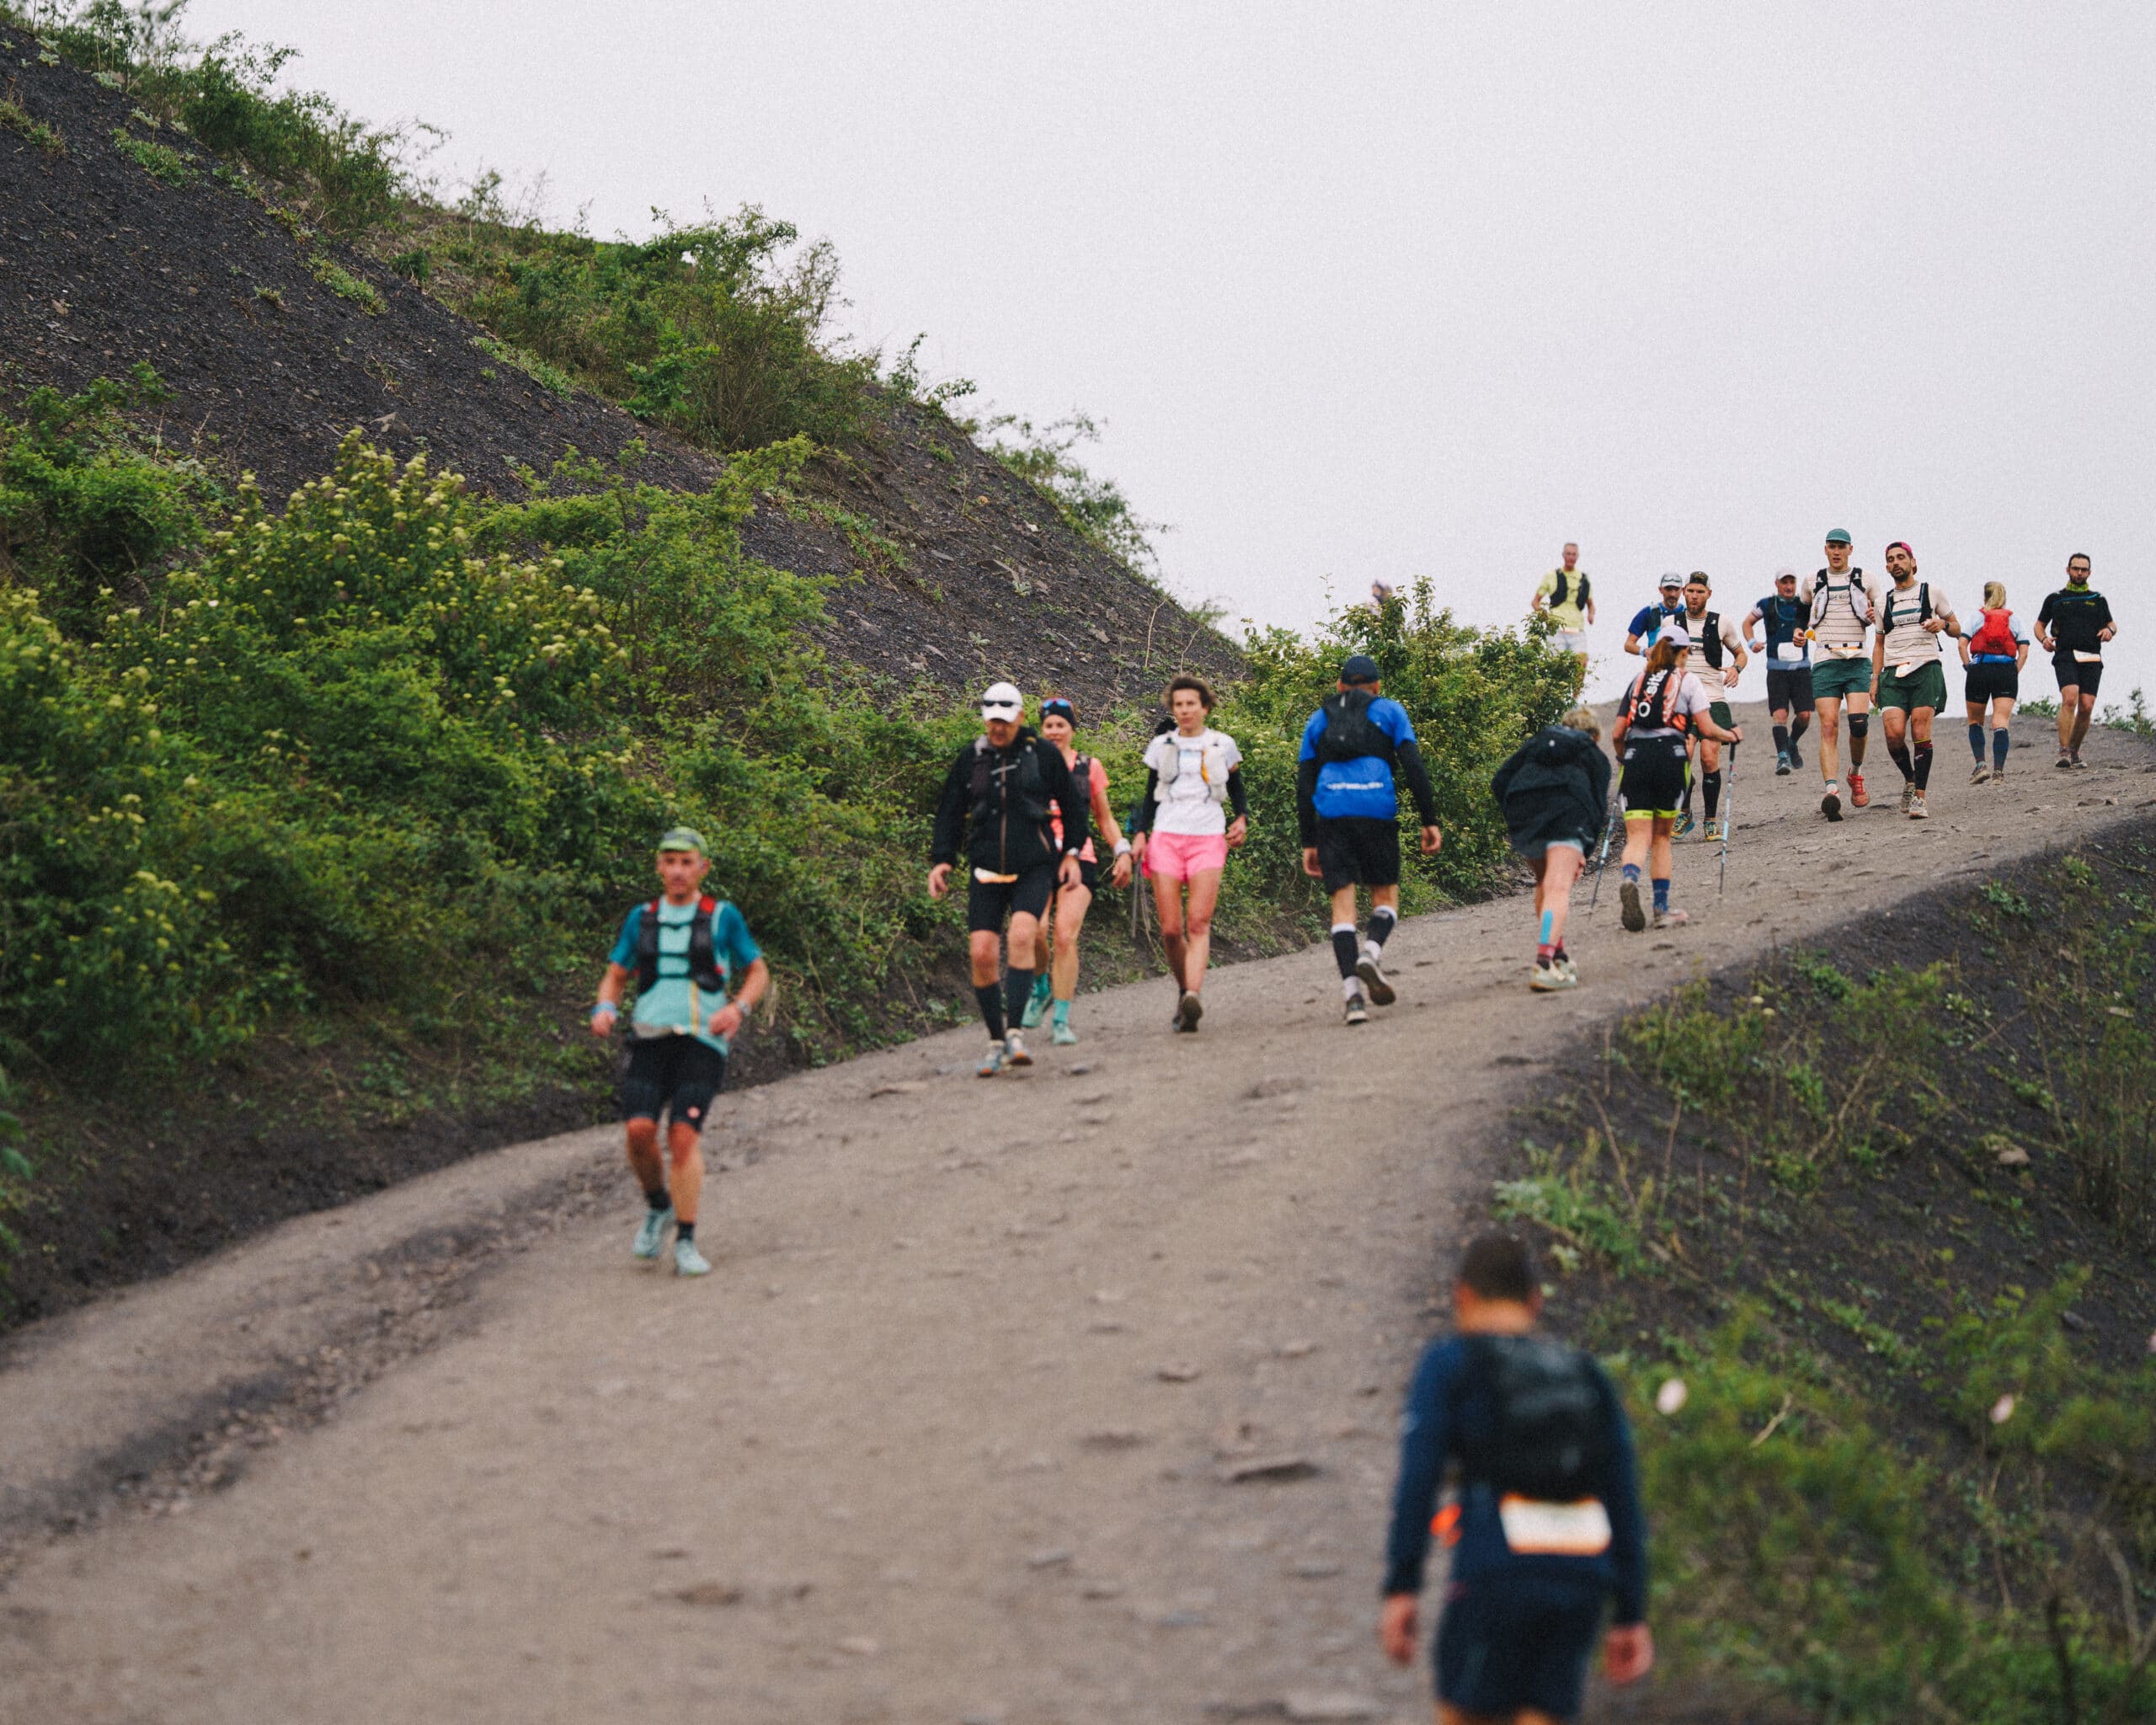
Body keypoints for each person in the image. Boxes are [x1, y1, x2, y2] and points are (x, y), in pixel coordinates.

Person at [1380, 1231, 1652, 1724]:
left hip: (1495, 1570)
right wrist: (1631, 1613)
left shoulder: (1450, 1364)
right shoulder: (1586, 1372)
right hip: (1582, 1579)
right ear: (1535, 1301)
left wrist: (1403, 1586)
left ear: (1461, 1295)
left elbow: (1419, 1477)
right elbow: (1622, 1494)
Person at [590, 827, 771, 1278]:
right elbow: (615, 974)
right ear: (658, 866)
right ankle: (658, 1208)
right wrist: (606, 1006)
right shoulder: (642, 918)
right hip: (650, 1037)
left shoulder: (723, 916)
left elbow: (757, 971)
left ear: (702, 868)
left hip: (702, 1040)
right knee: (638, 1132)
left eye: (686, 862)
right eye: (669, 861)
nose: (677, 870)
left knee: (683, 1136)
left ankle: (686, 1240)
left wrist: (738, 1008)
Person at [929, 681, 1088, 1076]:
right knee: (982, 954)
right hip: (985, 868)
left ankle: (1015, 1032)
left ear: (1019, 717)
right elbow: (950, 810)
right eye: (991, 721)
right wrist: (942, 860)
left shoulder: (1042, 754)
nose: (997, 728)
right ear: (984, 719)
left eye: (1004, 721)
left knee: (1022, 936)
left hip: (1034, 865)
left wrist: (1070, 854)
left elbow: (1073, 808)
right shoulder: (974, 757)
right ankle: (997, 1038)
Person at [1297, 653, 1443, 1024]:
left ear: (1339, 686)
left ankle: (1353, 1001)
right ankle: (1371, 952)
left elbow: (1305, 783)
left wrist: (1309, 841)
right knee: (1385, 898)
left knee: (1342, 909)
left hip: (1332, 814)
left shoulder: (1319, 719)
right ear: (1377, 687)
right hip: (1375, 809)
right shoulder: (1390, 711)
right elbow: (1413, 765)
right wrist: (1430, 820)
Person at [1132, 675, 1247, 1033]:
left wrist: (1241, 818)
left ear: (1205, 707)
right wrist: (1138, 832)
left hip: (1207, 837)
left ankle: (1192, 995)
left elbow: (1237, 787)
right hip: (1166, 837)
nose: (1184, 710)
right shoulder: (1161, 745)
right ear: (1173, 708)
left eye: (1190, 704)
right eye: (1178, 705)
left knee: (1197, 923)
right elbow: (1150, 793)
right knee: (1170, 930)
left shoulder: (1221, 744)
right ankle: (1184, 990)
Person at [1608, 629, 1740, 932]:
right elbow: (1706, 727)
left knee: (1638, 836)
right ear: (1683, 652)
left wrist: (1622, 759)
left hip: (1636, 758)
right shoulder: (1688, 680)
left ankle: (1629, 876)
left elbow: (1617, 734)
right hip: (1671, 757)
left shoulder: (1637, 681)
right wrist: (1730, 734)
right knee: (1662, 838)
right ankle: (1661, 909)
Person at [1019, 697, 1134, 1044]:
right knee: (1035, 932)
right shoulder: (1027, 763)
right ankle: (1041, 987)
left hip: (1078, 857)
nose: (1054, 731)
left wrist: (1122, 850)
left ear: (1072, 729)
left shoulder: (1088, 767)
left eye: (1060, 725)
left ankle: (1061, 1021)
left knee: (1065, 937)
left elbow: (1103, 817)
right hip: (1036, 856)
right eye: (1049, 725)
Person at [1491, 707, 1611, 992]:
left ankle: (1559, 956)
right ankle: (1543, 963)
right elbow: (1597, 809)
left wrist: (1515, 818)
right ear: (1594, 736)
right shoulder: (1594, 755)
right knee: (1558, 888)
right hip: (1568, 812)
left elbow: (1499, 781)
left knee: (1544, 884)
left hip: (1525, 810)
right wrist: (1584, 850)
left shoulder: (1538, 742)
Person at [1869, 542, 1960, 821]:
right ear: (1887, 567)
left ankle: (1920, 797)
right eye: (1891, 559)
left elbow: (1957, 628)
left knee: (1920, 729)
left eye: (1901, 557)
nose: (1896, 562)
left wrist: (1942, 625)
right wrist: (1874, 679)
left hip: (1926, 668)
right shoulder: (1882, 601)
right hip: (1893, 674)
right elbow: (1879, 643)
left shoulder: (1931, 592)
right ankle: (1909, 779)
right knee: (1894, 736)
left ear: (1913, 562)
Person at [1801, 528, 1884, 821]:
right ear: (1825, 549)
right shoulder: (1812, 580)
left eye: (1842, 547)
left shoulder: (1866, 578)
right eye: (1832, 547)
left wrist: (1877, 616)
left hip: (1857, 657)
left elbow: (1881, 609)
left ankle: (1856, 773)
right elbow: (1803, 610)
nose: (1836, 552)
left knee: (1859, 723)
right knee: (1828, 725)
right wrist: (1801, 633)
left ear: (1851, 549)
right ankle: (1831, 790)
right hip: (1825, 658)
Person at [1676, 572, 1748, 841]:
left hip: (1712, 697)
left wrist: (1735, 669)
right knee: (1681, 757)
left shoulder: (1722, 622)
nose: (1695, 596)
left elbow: (1741, 653)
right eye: (1691, 591)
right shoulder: (1672, 622)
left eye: (1700, 592)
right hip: (1682, 699)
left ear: (1708, 594)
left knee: (1708, 758)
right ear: (1684, 592)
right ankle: (1684, 812)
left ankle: (1710, 820)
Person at [2035, 553, 2117, 769]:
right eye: (2075, 568)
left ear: (2089, 572)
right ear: (2068, 570)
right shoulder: (2055, 598)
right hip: (2065, 654)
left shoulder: (2098, 599)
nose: (2079, 573)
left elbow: (2112, 624)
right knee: (2070, 698)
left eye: (2083, 569)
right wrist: (2044, 640)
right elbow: (2039, 625)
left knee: (2087, 706)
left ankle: (2074, 750)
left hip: (2091, 655)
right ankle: (2063, 751)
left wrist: (2109, 631)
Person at [1743, 567, 1815, 776]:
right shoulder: (1767, 604)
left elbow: (1816, 623)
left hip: (1801, 669)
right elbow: (1747, 623)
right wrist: (1752, 642)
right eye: (1784, 582)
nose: (1789, 586)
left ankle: (1792, 743)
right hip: (1776, 670)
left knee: (1804, 716)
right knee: (1780, 715)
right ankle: (1782, 757)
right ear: (1777, 584)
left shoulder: (1803, 604)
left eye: (1792, 582)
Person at [1959, 580, 2029, 784]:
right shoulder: (2014, 619)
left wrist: (1967, 666)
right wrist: (2014, 670)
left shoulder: (1976, 617)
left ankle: (1981, 765)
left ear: (1985, 596)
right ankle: (1999, 772)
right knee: (2000, 722)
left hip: (1979, 669)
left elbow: (1962, 644)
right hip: (2006, 670)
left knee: (1975, 721)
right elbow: (2023, 650)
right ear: (2003, 597)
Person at [1532, 543, 1594, 659]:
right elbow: (1535, 602)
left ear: (1577, 556)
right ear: (1563, 555)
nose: (1571, 557)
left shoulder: (1583, 578)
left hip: (1577, 630)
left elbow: (1591, 604)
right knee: (1557, 666)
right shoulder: (1552, 575)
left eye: (1574, 554)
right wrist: (1546, 618)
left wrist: (1591, 614)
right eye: (1568, 554)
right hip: (1557, 631)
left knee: (1581, 662)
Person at [1621, 574, 1686, 657]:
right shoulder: (1649, 612)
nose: (1672, 594)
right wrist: (1645, 651)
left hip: (1684, 665)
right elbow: (1628, 645)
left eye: (1676, 589)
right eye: (1668, 589)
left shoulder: (1687, 613)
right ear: (1660, 589)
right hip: (1657, 665)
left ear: (1682, 590)